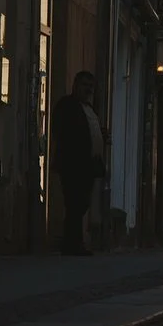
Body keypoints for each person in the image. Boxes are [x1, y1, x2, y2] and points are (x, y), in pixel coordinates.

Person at [50, 70, 105, 256]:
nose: (88, 90)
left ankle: (73, 242)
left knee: (81, 204)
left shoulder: (89, 108)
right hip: (72, 165)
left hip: (88, 166)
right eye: (84, 85)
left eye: (91, 86)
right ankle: (72, 243)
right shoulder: (67, 106)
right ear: (75, 85)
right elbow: (62, 131)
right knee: (74, 203)